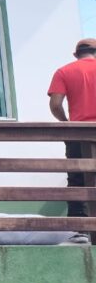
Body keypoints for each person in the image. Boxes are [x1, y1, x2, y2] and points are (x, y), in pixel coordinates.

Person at [48, 38, 96, 238]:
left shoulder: (64, 71)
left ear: (76, 55)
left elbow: (56, 104)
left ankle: (79, 228)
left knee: (77, 179)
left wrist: (66, 121)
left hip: (78, 132)